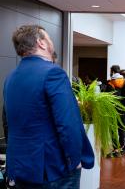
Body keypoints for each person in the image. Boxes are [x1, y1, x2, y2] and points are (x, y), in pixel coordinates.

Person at [3, 25, 94, 189]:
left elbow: (8, 123)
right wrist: (75, 160)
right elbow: (68, 123)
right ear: (41, 43)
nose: (51, 41)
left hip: (19, 167)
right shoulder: (53, 73)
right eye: (49, 38)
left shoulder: (10, 78)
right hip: (52, 168)